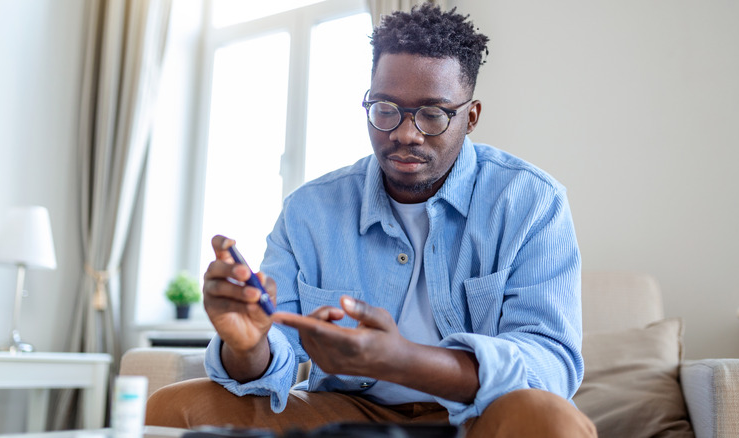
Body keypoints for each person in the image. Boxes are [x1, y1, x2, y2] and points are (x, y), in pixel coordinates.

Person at [146, 4, 596, 437]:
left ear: (471, 117)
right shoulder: (310, 210)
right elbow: (273, 357)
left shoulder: (532, 202)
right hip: (346, 414)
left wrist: (404, 360)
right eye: (385, 109)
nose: (404, 132)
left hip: (477, 416)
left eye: (433, 114)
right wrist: (247, 347)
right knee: (172, 407)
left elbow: (548, 365)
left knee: (551, 422)